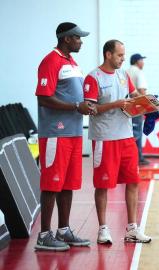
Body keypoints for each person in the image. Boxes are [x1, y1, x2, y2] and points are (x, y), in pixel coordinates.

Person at [83, 40, 151, 244]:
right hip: (105, 139)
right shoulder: (93, 77)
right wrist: (115, 104)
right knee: (103, 185)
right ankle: (103, 229)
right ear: (108, 54)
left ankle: (132, 229)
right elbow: (90, 109)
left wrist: (147, 104)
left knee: (133, 181)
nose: (123, 59)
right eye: (120, 55)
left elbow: (134, 96)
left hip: (126, 137)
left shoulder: (124, 75)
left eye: (124, 55)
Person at [34, 22, 93, 251]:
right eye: (78, 37)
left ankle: (64, 230)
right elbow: (43, 98)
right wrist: (77, 106)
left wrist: (86, 105)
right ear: (67, 39)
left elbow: (74, 99)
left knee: (68, 184)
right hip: (55, 133)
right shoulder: (51, 60)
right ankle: (44, 235)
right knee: (51, 184)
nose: (81, 41)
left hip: (74, 133)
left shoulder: (72, 63)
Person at [127, 53, 149, 165]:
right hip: (137, 106)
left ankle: (131, 157)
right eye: (142, 60)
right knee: (137, 133)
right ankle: (137, 157)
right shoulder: (138, 72)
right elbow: (142, 91)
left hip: (127, 107)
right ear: (137, 61)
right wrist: (147, 107)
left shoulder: (126, 72)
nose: (143, 62)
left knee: (129, 133)